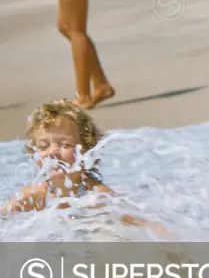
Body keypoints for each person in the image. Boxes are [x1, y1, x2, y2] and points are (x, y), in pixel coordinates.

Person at [3, 99, 162, 233]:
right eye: (43, 147)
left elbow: (135, 222)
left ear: (87, 151)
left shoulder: (95, 194)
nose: (52, 152)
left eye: (65, 145)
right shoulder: (35, 195)